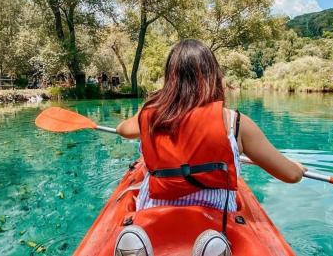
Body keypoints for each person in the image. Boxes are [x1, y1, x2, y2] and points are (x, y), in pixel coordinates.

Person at [115, 39, 306, 256]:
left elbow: (122, 130)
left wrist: (140, 119)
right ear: (213, 76)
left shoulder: (150, 116)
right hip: (216, 216)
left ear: (171, 78)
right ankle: (212, 248)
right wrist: (298, 168)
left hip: (153, 214)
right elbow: (291, 175)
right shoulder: (235, 123)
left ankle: (139, 248)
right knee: (215, 237)